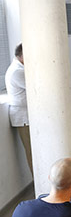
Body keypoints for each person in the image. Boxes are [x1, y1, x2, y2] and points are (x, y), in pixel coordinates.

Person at [4, 43, 32, 171]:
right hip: (23, 118)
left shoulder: (19, 69)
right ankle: (38, 184)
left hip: (26, 116)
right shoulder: (17, 71)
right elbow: (35, 89)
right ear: (23, 55)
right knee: (31, 152)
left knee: (34, 150)